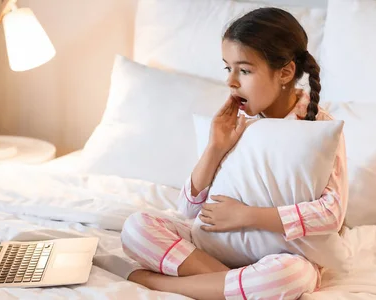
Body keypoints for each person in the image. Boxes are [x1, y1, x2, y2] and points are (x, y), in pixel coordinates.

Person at [120, 7, 348, 300]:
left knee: (293, 276)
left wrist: (248, 216)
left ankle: (165, 284)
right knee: (136, 228)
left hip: (281, 257)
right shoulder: (236, 124)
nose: (231, 82)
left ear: (286, 72)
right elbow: (188, 210)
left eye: (245, 70)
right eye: (228, 68)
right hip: (217, 247)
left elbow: (331, 214)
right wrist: (216, 147)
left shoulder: (320, 130)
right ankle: (231, 284)